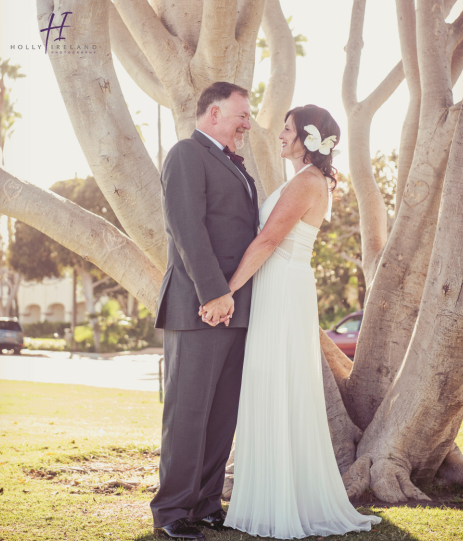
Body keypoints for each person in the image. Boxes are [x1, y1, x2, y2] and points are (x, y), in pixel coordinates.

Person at [201, 104, 382, 538]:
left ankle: (280, 500)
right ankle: (270, 492)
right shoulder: (306, 180)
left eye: (286, 129)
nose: (279, 135)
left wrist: (226, 290)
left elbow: (267, 240)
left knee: (276, 382)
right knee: (271, 382)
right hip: (282, 286)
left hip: (282, 287)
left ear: (306, 137)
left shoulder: (306, 182)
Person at [151, 81, 259, 540]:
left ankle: (206, 503)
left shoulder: (234, 163)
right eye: (241, 115)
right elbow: (186, 230)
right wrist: (214, 294)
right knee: (189, 412)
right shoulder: (185, 155)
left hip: (237, 309)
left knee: (221, 413)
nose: (247, 123)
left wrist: (233, 300)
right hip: (200, 308)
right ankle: (172, 511)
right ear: (214, 113)